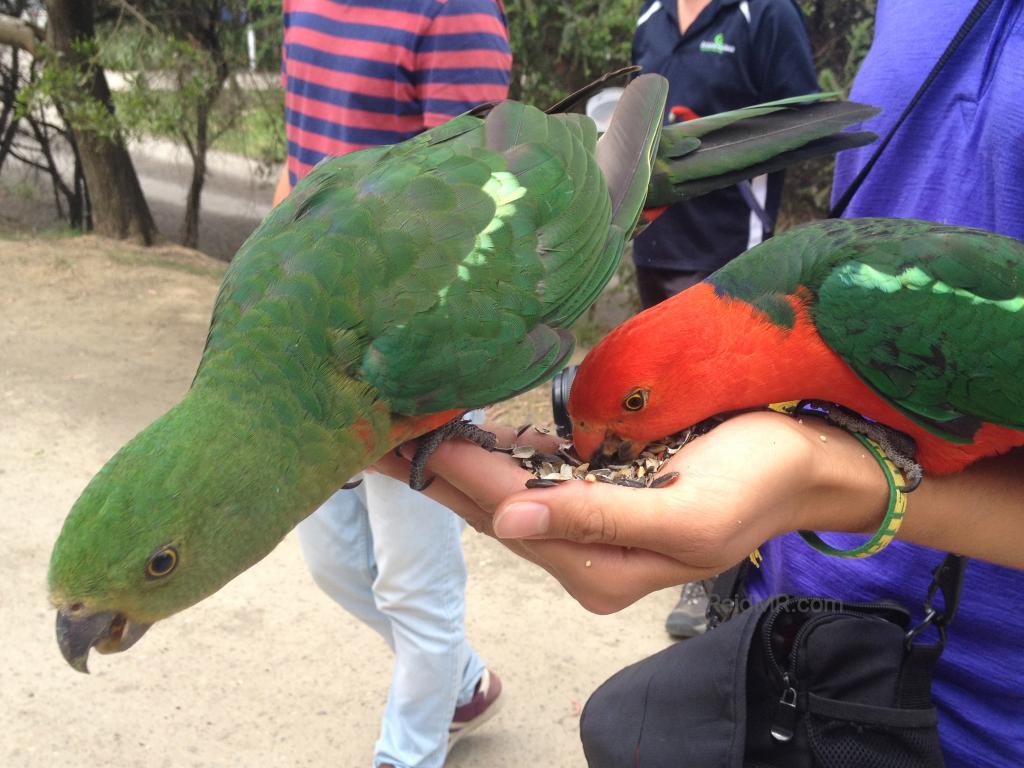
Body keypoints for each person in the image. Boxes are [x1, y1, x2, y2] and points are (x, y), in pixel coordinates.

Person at [376, 2, 1024, 764]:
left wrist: (840, 479)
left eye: (634, 409)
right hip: (793, 651)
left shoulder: (855, 308)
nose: (617, 440)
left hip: (975, 724)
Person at [273, 2, 511, 767]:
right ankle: (464, 683)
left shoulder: (456, 13)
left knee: (415, 589)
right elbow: (297, 162)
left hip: (414, 358)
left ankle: (407, 753)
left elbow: (477, 201)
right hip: (308, 345)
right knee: (333, 561)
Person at [632, 0, 818, 638]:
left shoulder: (764, 16)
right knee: (663, 404)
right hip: (652, 247)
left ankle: (715, 573)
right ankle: (669, 527)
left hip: (729, 255)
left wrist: (711, 147)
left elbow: (802, 122)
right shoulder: (650, 16)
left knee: (724, 413)